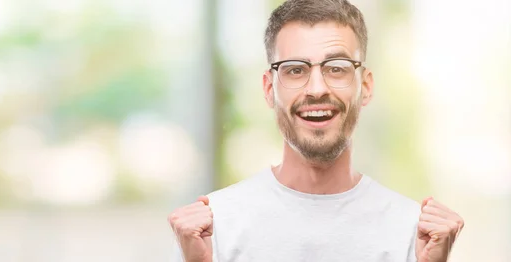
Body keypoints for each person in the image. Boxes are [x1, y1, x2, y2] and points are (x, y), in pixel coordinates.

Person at [167, 0, 464, 261]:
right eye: (295, 69)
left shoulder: (413, 233)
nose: (317, 89)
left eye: (337, 67)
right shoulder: (214, 229)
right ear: (269, 89)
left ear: (366, 86)